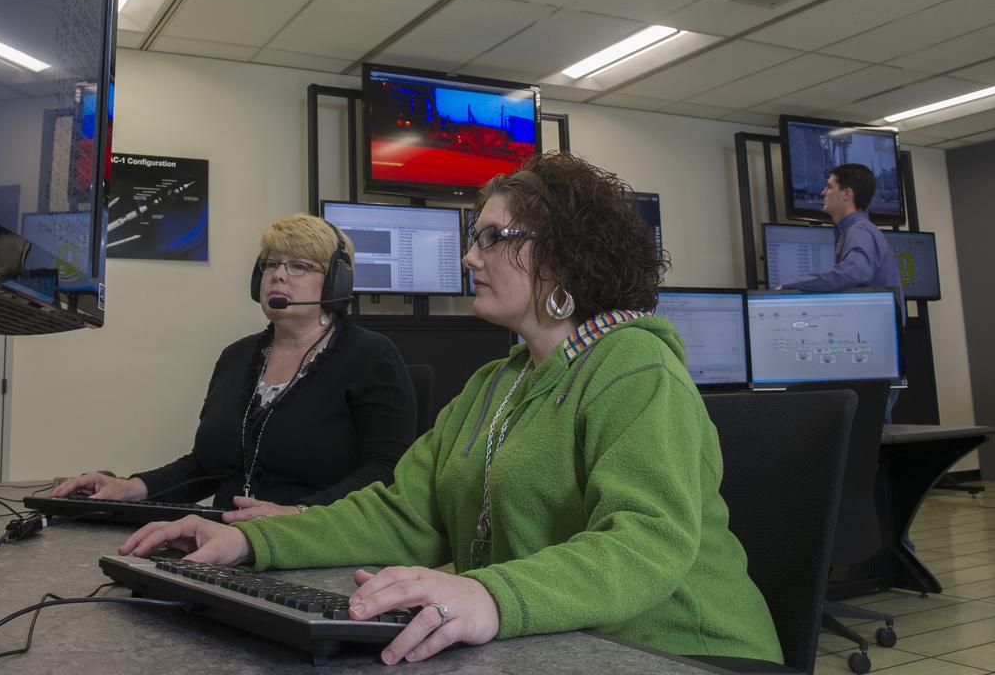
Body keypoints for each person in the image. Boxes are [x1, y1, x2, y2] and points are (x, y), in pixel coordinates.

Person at [120, 153, 783, 667]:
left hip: (683, 653)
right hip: (559, 642)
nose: (470, 256)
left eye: (492, 237)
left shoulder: (635, 366)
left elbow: (648, 542)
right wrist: (250, 539)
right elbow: (404, 512)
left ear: (561, 253)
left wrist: (491, 594)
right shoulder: (495, 384)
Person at [51, 214, 416, 518]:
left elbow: (384, 471)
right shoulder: (237, 357)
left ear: (337, 281)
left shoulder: (371, 356)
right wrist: (132, 487)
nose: (278, 274)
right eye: (271, 264)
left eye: (299, 266)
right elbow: (206, 466)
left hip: (315, 542)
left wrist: (301, 513)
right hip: (225, 539)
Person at [779, 163, 905, 420]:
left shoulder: (858, 231)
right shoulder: (856, 231)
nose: (823, 192)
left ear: (847, 194)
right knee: (870, 440)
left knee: (868, 441)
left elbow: (854, 272)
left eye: (829, 187)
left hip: (875, 356)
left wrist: (796, 285)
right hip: (877, 353)